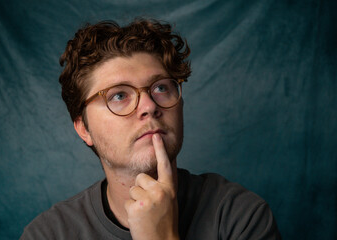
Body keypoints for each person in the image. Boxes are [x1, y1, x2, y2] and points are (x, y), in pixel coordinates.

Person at [20, 18, 281, 240]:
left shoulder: (241, 217)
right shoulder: (47, 234)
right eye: (119, 96)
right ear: (83, 129)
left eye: (160, 88)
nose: (149, 106)